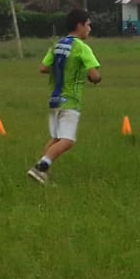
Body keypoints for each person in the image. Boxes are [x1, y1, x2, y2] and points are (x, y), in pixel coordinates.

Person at [27, 9, 101, 184]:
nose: (90, 29)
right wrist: (93, 78)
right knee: (67, 140)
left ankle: (42, 170)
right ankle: (40, 168)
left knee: (56, 139)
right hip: (70, 101)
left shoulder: (57, 45)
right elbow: (95, 75)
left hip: (54, 99)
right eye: (88, 25)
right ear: (79, 25)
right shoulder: (82, 48)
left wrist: (63, 70)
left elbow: (43, 68)